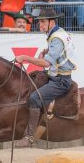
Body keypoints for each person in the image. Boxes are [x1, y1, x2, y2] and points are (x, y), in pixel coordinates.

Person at [15, 8, 77, 147]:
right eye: (39, 22)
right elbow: (62, 50)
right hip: (56, 75)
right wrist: (46, 51)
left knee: (34, 98)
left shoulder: (56, 38)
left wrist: (25, 58)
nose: (40, 25)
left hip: (61, 80)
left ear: (51, 22)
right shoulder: (58, 32)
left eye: (43, 22)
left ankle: (30, 137)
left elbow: (45, 63)